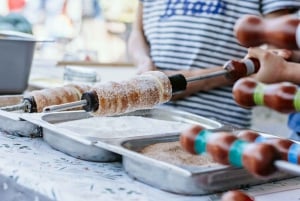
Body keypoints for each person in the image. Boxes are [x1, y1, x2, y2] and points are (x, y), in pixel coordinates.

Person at [128, 0, 300, 128]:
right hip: (149, 119)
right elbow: (137, 32)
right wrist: (144, 63)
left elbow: (278, 53)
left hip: (217, 127)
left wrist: (195, 81)